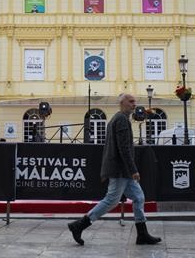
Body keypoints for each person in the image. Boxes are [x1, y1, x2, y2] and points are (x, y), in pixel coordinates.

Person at [67, 93, 161, 246]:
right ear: (122, 103)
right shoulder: (121, 120)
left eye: (134, 101)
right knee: (111, 200)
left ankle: (142, 233)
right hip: (120, 169)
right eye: (131, 101)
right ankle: (80, 225)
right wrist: (133, 170)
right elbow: (123, 149)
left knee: (139, 197)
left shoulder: (117, 119)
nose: (134, 104)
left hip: (121, 169)